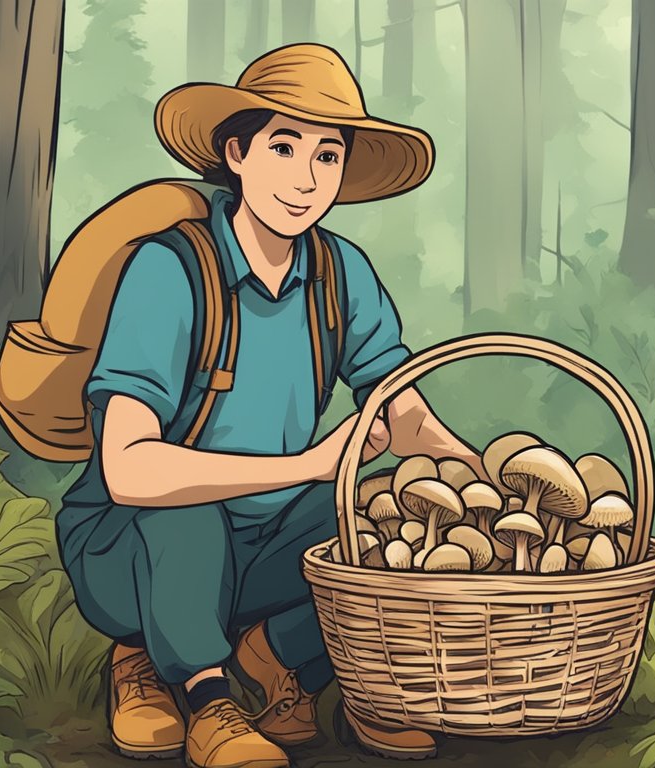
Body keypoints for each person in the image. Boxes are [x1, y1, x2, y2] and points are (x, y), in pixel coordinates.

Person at [55, 44, 481, 767]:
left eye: (326, 156)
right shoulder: (171, 270)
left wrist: (472, 475)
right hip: (128, 543)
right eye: (284, 147)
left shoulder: (340, 272)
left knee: (401, 511)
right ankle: (191, 690)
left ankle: (280, 659)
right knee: (182, 511)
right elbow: (129, 468)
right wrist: (311, 463)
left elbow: (398, 408)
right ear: (236, 153)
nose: (305, 178)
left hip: (268, 534)